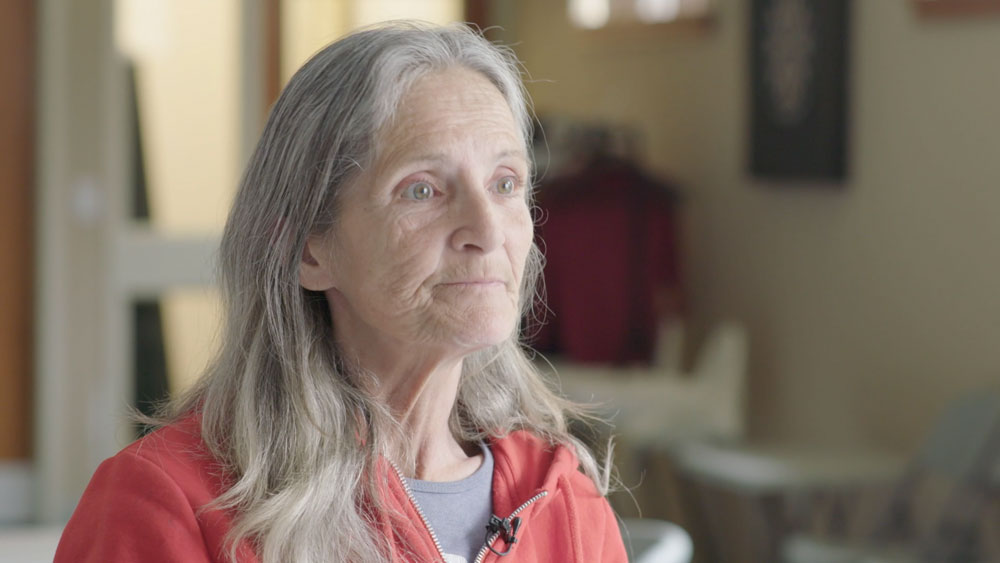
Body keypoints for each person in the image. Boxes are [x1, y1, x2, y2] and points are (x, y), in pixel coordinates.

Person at [54, 21, 627, 563]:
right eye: (422, 190)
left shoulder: (566, 502)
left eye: (505, 183)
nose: (487, 230)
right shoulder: (169, 500)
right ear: (309, 250)